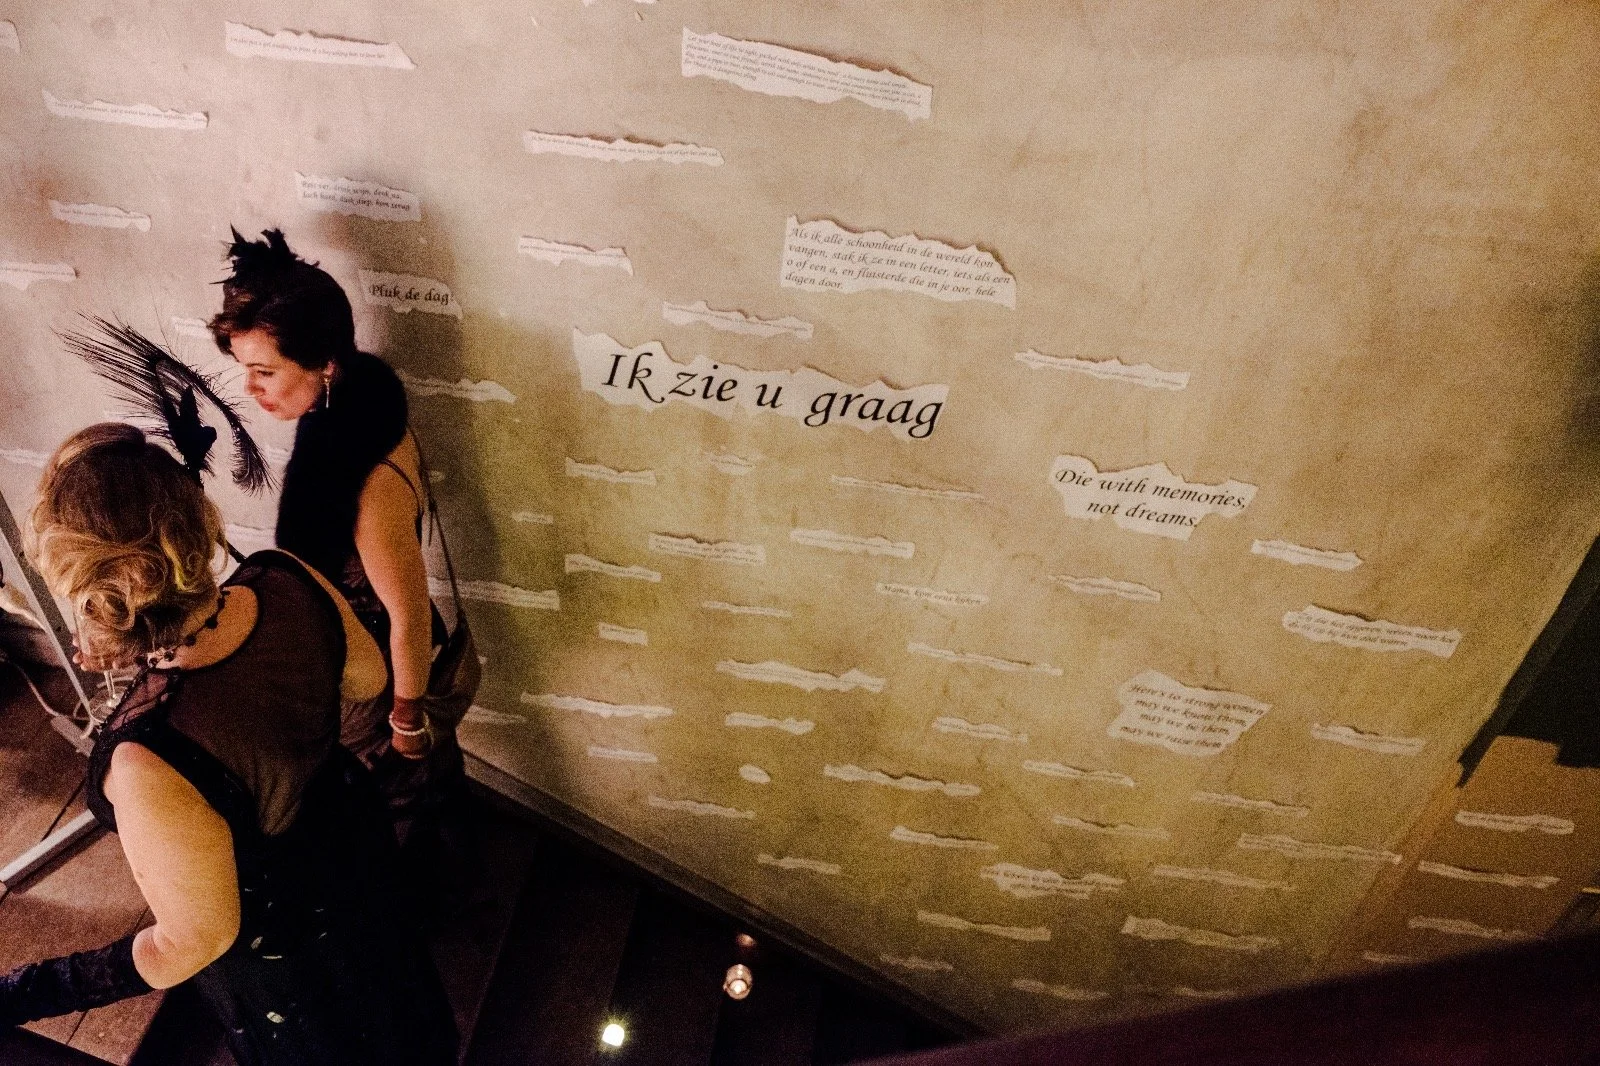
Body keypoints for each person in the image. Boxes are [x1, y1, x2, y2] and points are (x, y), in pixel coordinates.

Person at [0, 424, 458, 1065]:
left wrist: (17, 993)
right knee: (397, 991)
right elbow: (368, 678)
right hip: (354, 837)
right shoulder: (285, 575)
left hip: (292, 935)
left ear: (95, 593)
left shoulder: (145, 758)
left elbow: (191, 941)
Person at [207, 229, 457, 790]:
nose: (249, 387)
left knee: (389, 809)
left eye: (265, 371)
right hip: (351, 662)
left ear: (323, 364)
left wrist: (407, 728)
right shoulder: (353, 403)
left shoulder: (365, 486)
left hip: (373, 687)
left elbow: (409, 614)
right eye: (244, 366)